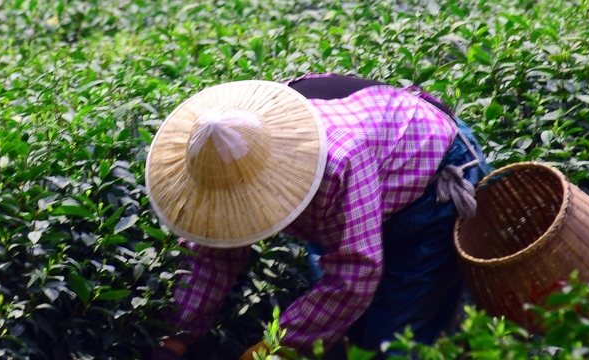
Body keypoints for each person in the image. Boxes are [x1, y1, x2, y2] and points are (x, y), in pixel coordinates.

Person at [144, 74, 493, 359]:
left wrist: (272, 348)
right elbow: (212, 249)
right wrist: (176, 336)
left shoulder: (336, 162)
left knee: (393, 341)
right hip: (362, 180)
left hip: (429, 180)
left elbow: (352, 276)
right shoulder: (223, 150)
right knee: (340, 336)